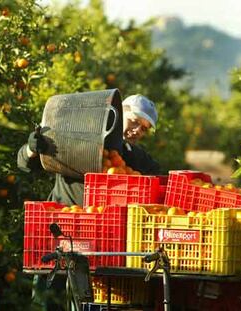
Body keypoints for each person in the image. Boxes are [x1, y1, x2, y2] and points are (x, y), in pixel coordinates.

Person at [17, 93, 160, 310]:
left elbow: (159, 182)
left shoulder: (136, 158)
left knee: (87, 300)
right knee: (48, 297)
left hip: (100, 238)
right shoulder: (80, 139)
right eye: (134, 121)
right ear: (119, 113)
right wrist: (32, 149)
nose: (138, 130)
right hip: (62, 226)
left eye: (144, 128)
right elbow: (25, 163)